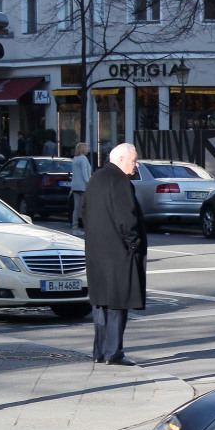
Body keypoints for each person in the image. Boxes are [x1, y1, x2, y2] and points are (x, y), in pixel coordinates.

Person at [83, 143, 148, 366]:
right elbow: (127, 220)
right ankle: (113, 352)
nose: (136, 164)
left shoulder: (95, 179)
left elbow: (84, 213)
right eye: (133, 160)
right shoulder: (120, 181)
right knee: (118, 305)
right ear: (121, 159)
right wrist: (134, 245)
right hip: (119, 255)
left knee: (100, 305)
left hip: (97, 254)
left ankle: (100, 352)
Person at [70, 142, 92, 232]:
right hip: (83, 186)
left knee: (76, 207)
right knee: (85, 207)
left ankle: (74, 226)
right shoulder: (83, 159)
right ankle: (87, 226)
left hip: (75, 185)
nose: (88, 150)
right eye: (86, 148)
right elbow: (84, 172)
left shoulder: (75, 159)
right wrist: (89, 182)